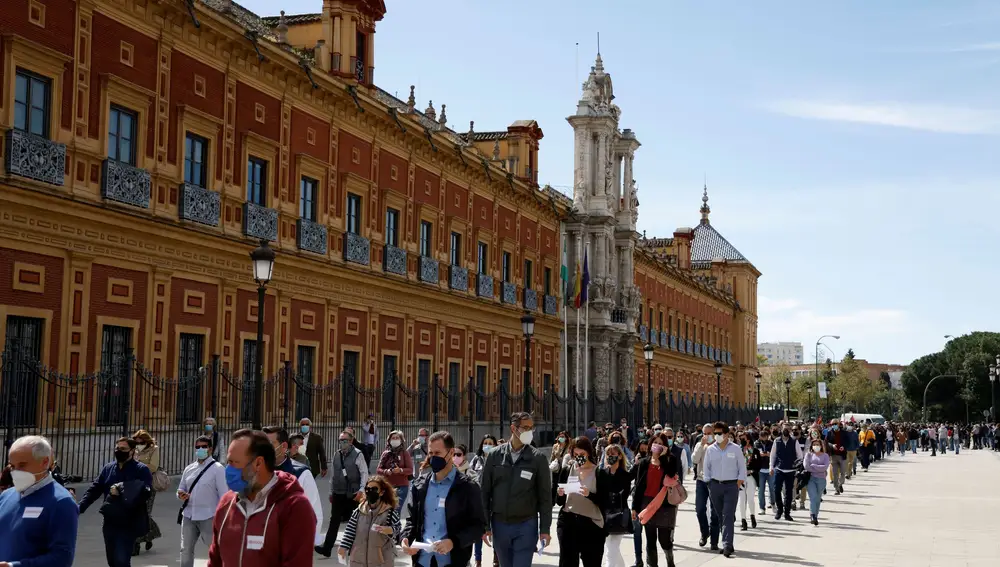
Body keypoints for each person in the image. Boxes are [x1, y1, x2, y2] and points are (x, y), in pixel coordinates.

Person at [207, 428, 316, 566]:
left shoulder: (295, 507)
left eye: (234, 463)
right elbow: (215, 560)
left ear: (258, 463)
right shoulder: (226, 503)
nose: (228, 470)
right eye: (228, 463)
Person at [402, 431, 486, 567]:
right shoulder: (420, 485)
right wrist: (405, 538)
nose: (433, 457)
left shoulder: (467, 487)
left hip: (452, 561)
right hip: (423, 560)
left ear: (451, 452)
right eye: (431, 453)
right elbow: (412, 521)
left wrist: (453, 542)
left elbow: (478, 527)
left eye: (438, 453)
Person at [480, 412, 552, 567]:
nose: (529, 431)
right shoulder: (494, 456)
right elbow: (484, 492)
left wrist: (545, 529)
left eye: (531, 428)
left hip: (526, 525)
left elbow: (545, 497)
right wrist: (485, 526)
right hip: (500, 525)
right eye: (525, 427)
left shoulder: (538, 459)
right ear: (513, 428)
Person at [0, 435, 78, 566]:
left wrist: (15, 566)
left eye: (22, 465)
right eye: (12, 466)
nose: (15, 472)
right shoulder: (6, 496)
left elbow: (62, 558)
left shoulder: (62, 502)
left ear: (44, 462)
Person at [79, 437, 153, 567]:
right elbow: (95, 489)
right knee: (112, 561)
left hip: (129, 522)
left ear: (132, 451)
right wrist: (79, 507)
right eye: (117, 448)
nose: (119, 451)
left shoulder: (141, 470)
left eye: (123, 449)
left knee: (121, 560)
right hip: (110, 521)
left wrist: (122, 489)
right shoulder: (108, 468)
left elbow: (146, 492)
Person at [264, 426, 324, 544]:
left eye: (270, 444)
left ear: (284, 446)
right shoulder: (258, 471)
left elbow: (315, 514)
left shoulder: (302, 474)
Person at [556, 436, 609, 567]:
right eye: (576, 454)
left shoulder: (599, 472)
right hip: (568, 521)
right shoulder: (567, 470)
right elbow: (559, 501)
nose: (579, 457)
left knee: (592, 562)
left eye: (582, 454)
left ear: (589, 453)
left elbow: (605, 501)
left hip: (591, 524)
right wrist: (560, 494)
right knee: (567, 562)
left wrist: (589, 494)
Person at [316, 429, 369, 557]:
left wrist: (361, 490)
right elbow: (334, 475)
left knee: (355, 521)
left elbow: (364, 473)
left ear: (351, 441)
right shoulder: (337, 454)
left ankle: (356, 548)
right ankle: (327, 548)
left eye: (345, 440)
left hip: (353, 493)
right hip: (338, 492)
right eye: (340, 440)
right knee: (334, 521)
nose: (342, 442)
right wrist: (331, 491)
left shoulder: (358, 454)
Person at [177, 435, 228, 567]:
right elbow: (181, 488)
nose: (200, 449)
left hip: (209, 516)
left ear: (210, 449)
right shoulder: (189, 469)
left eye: (204, 447)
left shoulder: (218, 469)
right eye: (198, 447)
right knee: (185, 550)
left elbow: (224, 495)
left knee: (215, 549)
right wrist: (180, 494)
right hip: (189, 515)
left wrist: (222, 518)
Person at [633, 432, 680, 567]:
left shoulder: (671, 459)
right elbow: (638, 486)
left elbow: (671, 473)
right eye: (655, 443)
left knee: (664, 539)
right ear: (650, 444)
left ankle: (669, 558)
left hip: (665, 504)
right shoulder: (644, 462)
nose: (658, 446)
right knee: (650, 539)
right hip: (647, 504)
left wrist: (664, 457)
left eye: (661, 443)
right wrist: (635, 507)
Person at [704, 421, 746, 558]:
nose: (717, 436)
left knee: (727, 515)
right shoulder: (710, 449)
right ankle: (728, 541)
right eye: (715, 433)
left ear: (727, 434)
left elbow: (742, 467)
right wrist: (709, 482)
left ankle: (727, 545)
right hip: (715, 485)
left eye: (719, 433)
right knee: (720, 515)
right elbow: (706, 467)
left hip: (731, 486)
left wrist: (739, 482)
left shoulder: (735, 448)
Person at [338, 475, 401, 567]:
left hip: (381, 561)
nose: (370, 492)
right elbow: (350, 531)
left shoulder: (389, 512)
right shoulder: (359, 511)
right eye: (367, 489)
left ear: (382, 492)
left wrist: (389, 530)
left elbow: (398, 528)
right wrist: (343, 546)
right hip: (358, 560)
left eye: (374, 489)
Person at [601, 443, 633, 567]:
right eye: (608, 454)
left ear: (620, 456)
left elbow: (623, 495)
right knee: (611, 548)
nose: (610, 457)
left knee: (611, 549)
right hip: (604, 515)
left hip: (619, 515)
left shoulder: (625, 475)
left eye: (613, 454)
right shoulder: (602, 473)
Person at [468, 435, 498, 567]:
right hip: (479, 500)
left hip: (495, 500)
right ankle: (478, 559)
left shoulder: (499, 459)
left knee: (496, 530)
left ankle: (497, 557)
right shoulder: (476, 460)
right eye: (485, 443)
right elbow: (469, 476)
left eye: (490, 443)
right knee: (479, 531)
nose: (487, 445)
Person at [132, 429, 162, 555]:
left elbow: (153, 466)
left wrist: (137, 465)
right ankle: (149, 535)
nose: (138, 444)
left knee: (144, 513)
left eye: (141, 442)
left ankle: (136, 543)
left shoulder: (154, 449)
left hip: (147, 485)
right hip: (133, 485)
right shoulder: (133, 449)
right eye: (136, 442)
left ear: (146, 441)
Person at [691, 423, 719, 550]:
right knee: (700, 509)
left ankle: (714, 541)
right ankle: (704, 532)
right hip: (701, 481)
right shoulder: (699, 445)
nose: (707, 436)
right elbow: (695, 460)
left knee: (715, 512)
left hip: (715, 481)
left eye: (709, 433)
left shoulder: (718, 445)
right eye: (704, 433)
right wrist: (702, 446)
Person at [769, 424, 803, 521]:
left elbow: (800, 456)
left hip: (791, 471)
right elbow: (772, 455)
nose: (786, 430)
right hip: (779, 469)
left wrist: (796, 466)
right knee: (776, 490)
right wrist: (771, 467)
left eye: (788, 429)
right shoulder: (777, 441)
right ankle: (780, 510)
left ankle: (787, 513)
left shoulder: (794, 441)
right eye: (784, 429)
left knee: (789, 492)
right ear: (781, 430)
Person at [376, 429, 415, 513]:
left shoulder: (405, 453)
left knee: (396, 511)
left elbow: (410, 470)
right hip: (387, 486)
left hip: (401, 487)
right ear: (389, 440)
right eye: (393, 438)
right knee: (386, 510)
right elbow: (379, 469)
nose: (395, 439)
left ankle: (395, 526)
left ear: (401, 440)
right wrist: (386, 471)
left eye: (397, 438)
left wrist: (400, 470)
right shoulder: (385, 454)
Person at [803, 437, 829, 526]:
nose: (815, 446)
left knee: (818, 499)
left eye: (817, 444)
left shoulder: (825, 456)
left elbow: (825, 467)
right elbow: (806, 466)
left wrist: (813, 466)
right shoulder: (809, 455)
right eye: (814, 445)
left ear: (821, 446)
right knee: (813, 497)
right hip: (811, 478)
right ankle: (812, 515)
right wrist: (818, 468)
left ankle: (816, 515)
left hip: (821, 480)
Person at [738, 431, 760, 530]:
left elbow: (759, 465)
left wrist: (751, 470)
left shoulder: (755, 451)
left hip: (751, 477)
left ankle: (752, 516)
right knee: (742, 500)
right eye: (741, 438)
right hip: (740, 478)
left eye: (744, 438)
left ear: (748, 439)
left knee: (750, 499)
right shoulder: (738, 450)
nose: (742, 440)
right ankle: (743, 520)